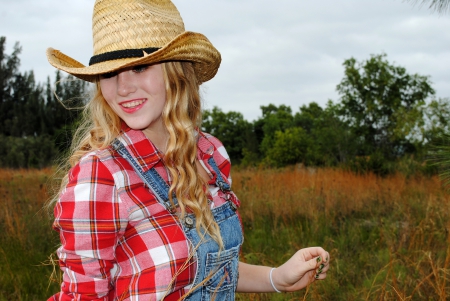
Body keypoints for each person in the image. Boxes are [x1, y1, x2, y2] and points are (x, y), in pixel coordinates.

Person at [46, 0, 330, 300]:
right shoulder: (102, 174)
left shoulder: (211, 154)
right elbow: (84, 295)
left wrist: (279, 278)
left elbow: (210, 269)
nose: (123, 87)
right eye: (108, 74)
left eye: (140, 67)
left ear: (176, 72)